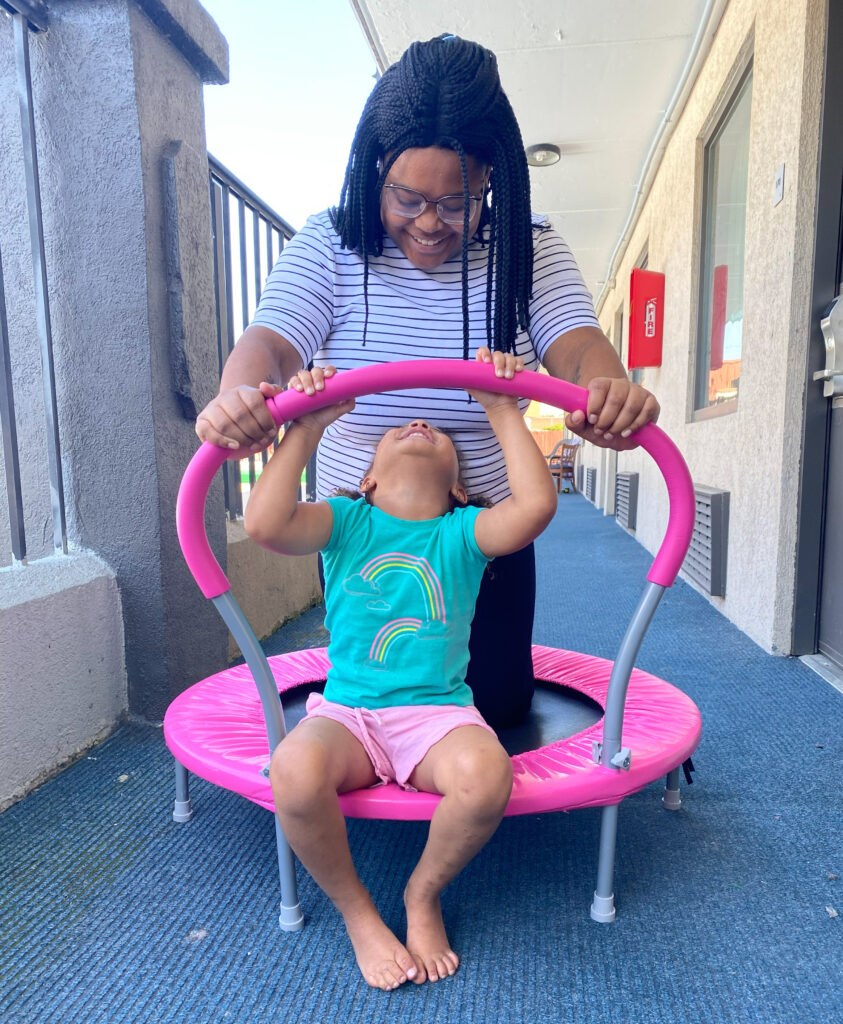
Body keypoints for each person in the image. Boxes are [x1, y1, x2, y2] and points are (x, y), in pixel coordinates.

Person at [196, 34, 660, 729]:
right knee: (371, 696)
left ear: (491, 179)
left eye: (457, 202)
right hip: (361, 533)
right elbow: (269, 344)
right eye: (408, 198)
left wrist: (607, 391)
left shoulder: (525, 248)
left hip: (485, 532)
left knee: (497, 708)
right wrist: (241, 396)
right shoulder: (331, 243)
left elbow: (577, 346)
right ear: (375, 168)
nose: (430, 224)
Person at [243, 353, 557, 990]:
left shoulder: (463, 532)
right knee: (293, 772)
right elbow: (264, 523)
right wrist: (306, 426)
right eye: (397, 429)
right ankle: (358, 912)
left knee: (487, 776)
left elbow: (534, 509)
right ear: (367, 480)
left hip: (437, 715)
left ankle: (422, 892)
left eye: (438, 431)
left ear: (460, 490)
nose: (419, 423)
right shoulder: (346, 521)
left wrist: (502, 408)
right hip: (348, 713)